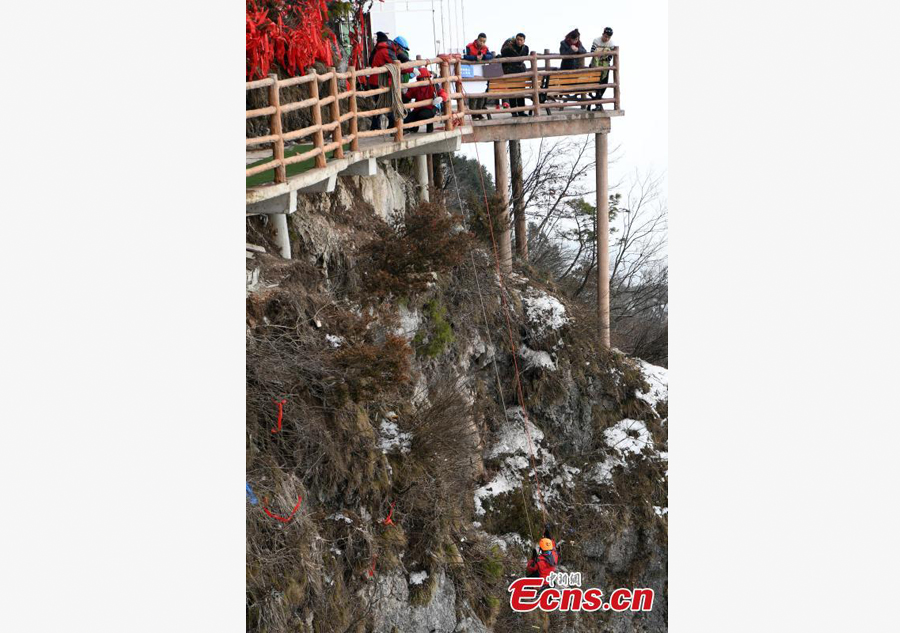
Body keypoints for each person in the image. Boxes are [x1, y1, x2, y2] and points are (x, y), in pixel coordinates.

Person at [367, 32, 410, 129]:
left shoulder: (384, 49)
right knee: (388, 104)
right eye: (402, 50)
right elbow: (395, 67)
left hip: (377, 81)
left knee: (380, 104)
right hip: (379, 82)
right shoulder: (387, 51)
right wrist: (412, 69)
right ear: (397, 46)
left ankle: (375, 127)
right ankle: (393, 128)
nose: (402, 52)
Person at [402, 67, 447, 133]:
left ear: (428, 77)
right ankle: (414, 128)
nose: (422, 80)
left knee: (423, 115)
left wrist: (441, 98)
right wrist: (405, 93)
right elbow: (409, 96)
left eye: (424, 78)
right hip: (418, 109)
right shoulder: (416, 85)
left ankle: (429, 126)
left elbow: (443, 93)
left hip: (430, 108)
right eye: (420, 78)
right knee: (407, 119)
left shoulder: (433, 85)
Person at [463, 33, 495, 119]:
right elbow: (465, 56)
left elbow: (490, 56)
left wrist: (483, 56)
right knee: (473, 94)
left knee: (482, 94)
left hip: (482, 73)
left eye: (484, 41)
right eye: (480, 41)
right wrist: (475, 58)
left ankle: (479, 112)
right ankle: (474, 114)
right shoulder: (469, 47)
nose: (482, 43)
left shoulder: (485, 48)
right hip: (472, 73)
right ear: (477, 40)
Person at [500, 33, 530, 117]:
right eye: (518, 39)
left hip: (520, 71)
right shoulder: (509, 47)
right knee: (512, 91)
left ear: (524, 41)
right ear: (515, 39)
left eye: (521, 40)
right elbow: (503, 52)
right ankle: (513, 111)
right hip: (511, 71)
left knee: (521, 92)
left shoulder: (525, 48)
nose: (519, 41)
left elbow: (521, 59)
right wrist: (509, 46)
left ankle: (521, 111)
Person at [590, 27, 615, 110]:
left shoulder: (611, 43)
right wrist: (603, 54)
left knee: (604, 83)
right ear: (603, 34)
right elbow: (592, 52)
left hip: (605, 66)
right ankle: (598, 101)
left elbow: (609, 57)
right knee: (596, 84)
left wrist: (601, 55)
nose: (606, 38)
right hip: (595, 65)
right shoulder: (596, 40)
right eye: (605, 36)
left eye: (608, 37)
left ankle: (598, 99)